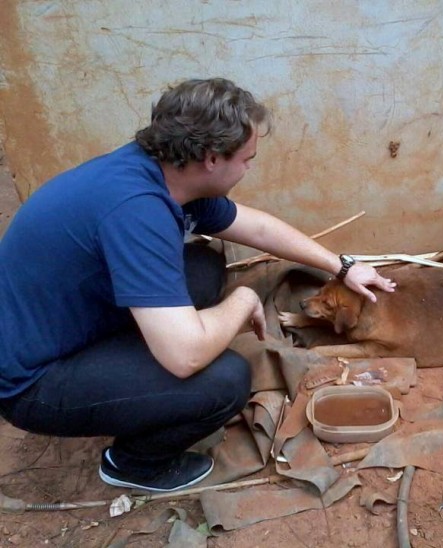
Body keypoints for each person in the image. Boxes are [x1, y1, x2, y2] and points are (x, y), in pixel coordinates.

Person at [0, 78, 395, 492]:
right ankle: (133, 464)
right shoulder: (138, 211)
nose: (249, 168)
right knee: (223, 381)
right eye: (247, 159)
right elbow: (184, 357)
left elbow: (256, 227)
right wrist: (242, 300)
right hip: (32, 379)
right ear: (211, 158)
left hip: (61, 320)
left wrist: (343, 266)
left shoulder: (165, 171)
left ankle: (135, 358)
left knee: (203, 270)